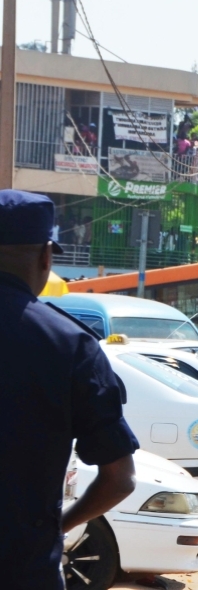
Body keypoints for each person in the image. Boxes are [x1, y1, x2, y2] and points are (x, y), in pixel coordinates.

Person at [0, 190, 139, 588]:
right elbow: (120, 478)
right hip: (23, 569)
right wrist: (55, 528)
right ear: (46, 257)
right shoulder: (70, 344)